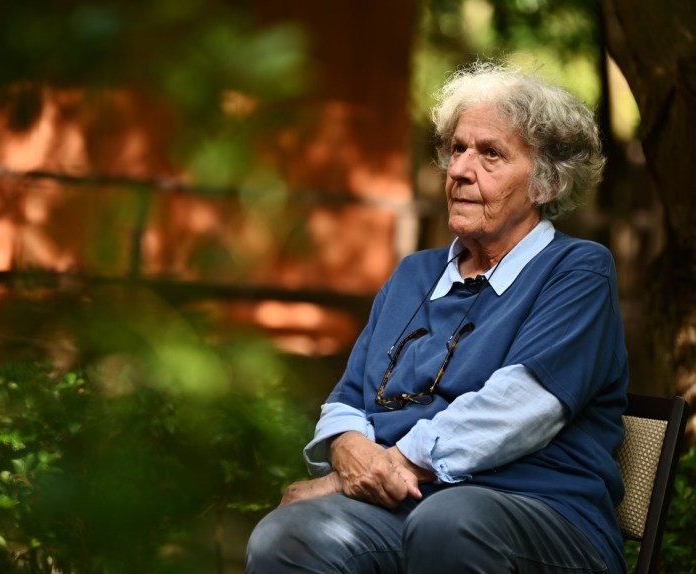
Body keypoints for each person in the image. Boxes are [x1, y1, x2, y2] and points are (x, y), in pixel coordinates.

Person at [246, 60, 628, 574]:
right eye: (457, 149)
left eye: (490, 153)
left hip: (542, 516)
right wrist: (348, 449)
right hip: (407, 507)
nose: (460, 169)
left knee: (449, 522)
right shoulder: (414, 274)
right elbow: (347, 399)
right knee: (287, 537)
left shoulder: (577, 271)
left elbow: (520, 410)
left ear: (546, 183)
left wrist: (361, 475)